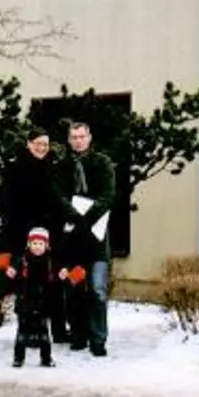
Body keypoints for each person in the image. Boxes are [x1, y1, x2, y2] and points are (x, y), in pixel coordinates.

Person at [0, 127, 68, 342]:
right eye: (38, 143)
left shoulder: (53, 167)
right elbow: (7, 202)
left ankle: (57, 330)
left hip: (51, 232)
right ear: (28, 144)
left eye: (45, 144)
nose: (42, 148)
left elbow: (59, 198)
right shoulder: (15, 168)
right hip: (24, 232)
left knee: (54, 280)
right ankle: (27, 330)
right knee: (26, 284)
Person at [57, 120, 115, 356]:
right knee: (74, 290)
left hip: (96, 238)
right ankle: (79, 336)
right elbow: (59, 195)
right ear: (69, 140)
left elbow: (108, 196)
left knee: (98, 291)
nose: (78, 140)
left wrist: (85, 219)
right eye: (74, 137)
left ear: (89, 138)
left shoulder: (102, 163)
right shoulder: (62, 166)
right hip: (72, 241)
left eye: (82, 136)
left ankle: (98, 340)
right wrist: (72, 215)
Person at [0, 227, 84, 367]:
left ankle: (46, 358)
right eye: (34, 243)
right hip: (25, 299)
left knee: (43, 331)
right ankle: (18, 357)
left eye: (40, 244)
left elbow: (59, 273)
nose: (37, 247)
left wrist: (63, 274)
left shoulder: (51, 261)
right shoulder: (22, 260)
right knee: (22, 330)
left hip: (43, 300)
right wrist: (11, 272)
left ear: (46, 245)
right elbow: (14, 272)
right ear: (29, 244)